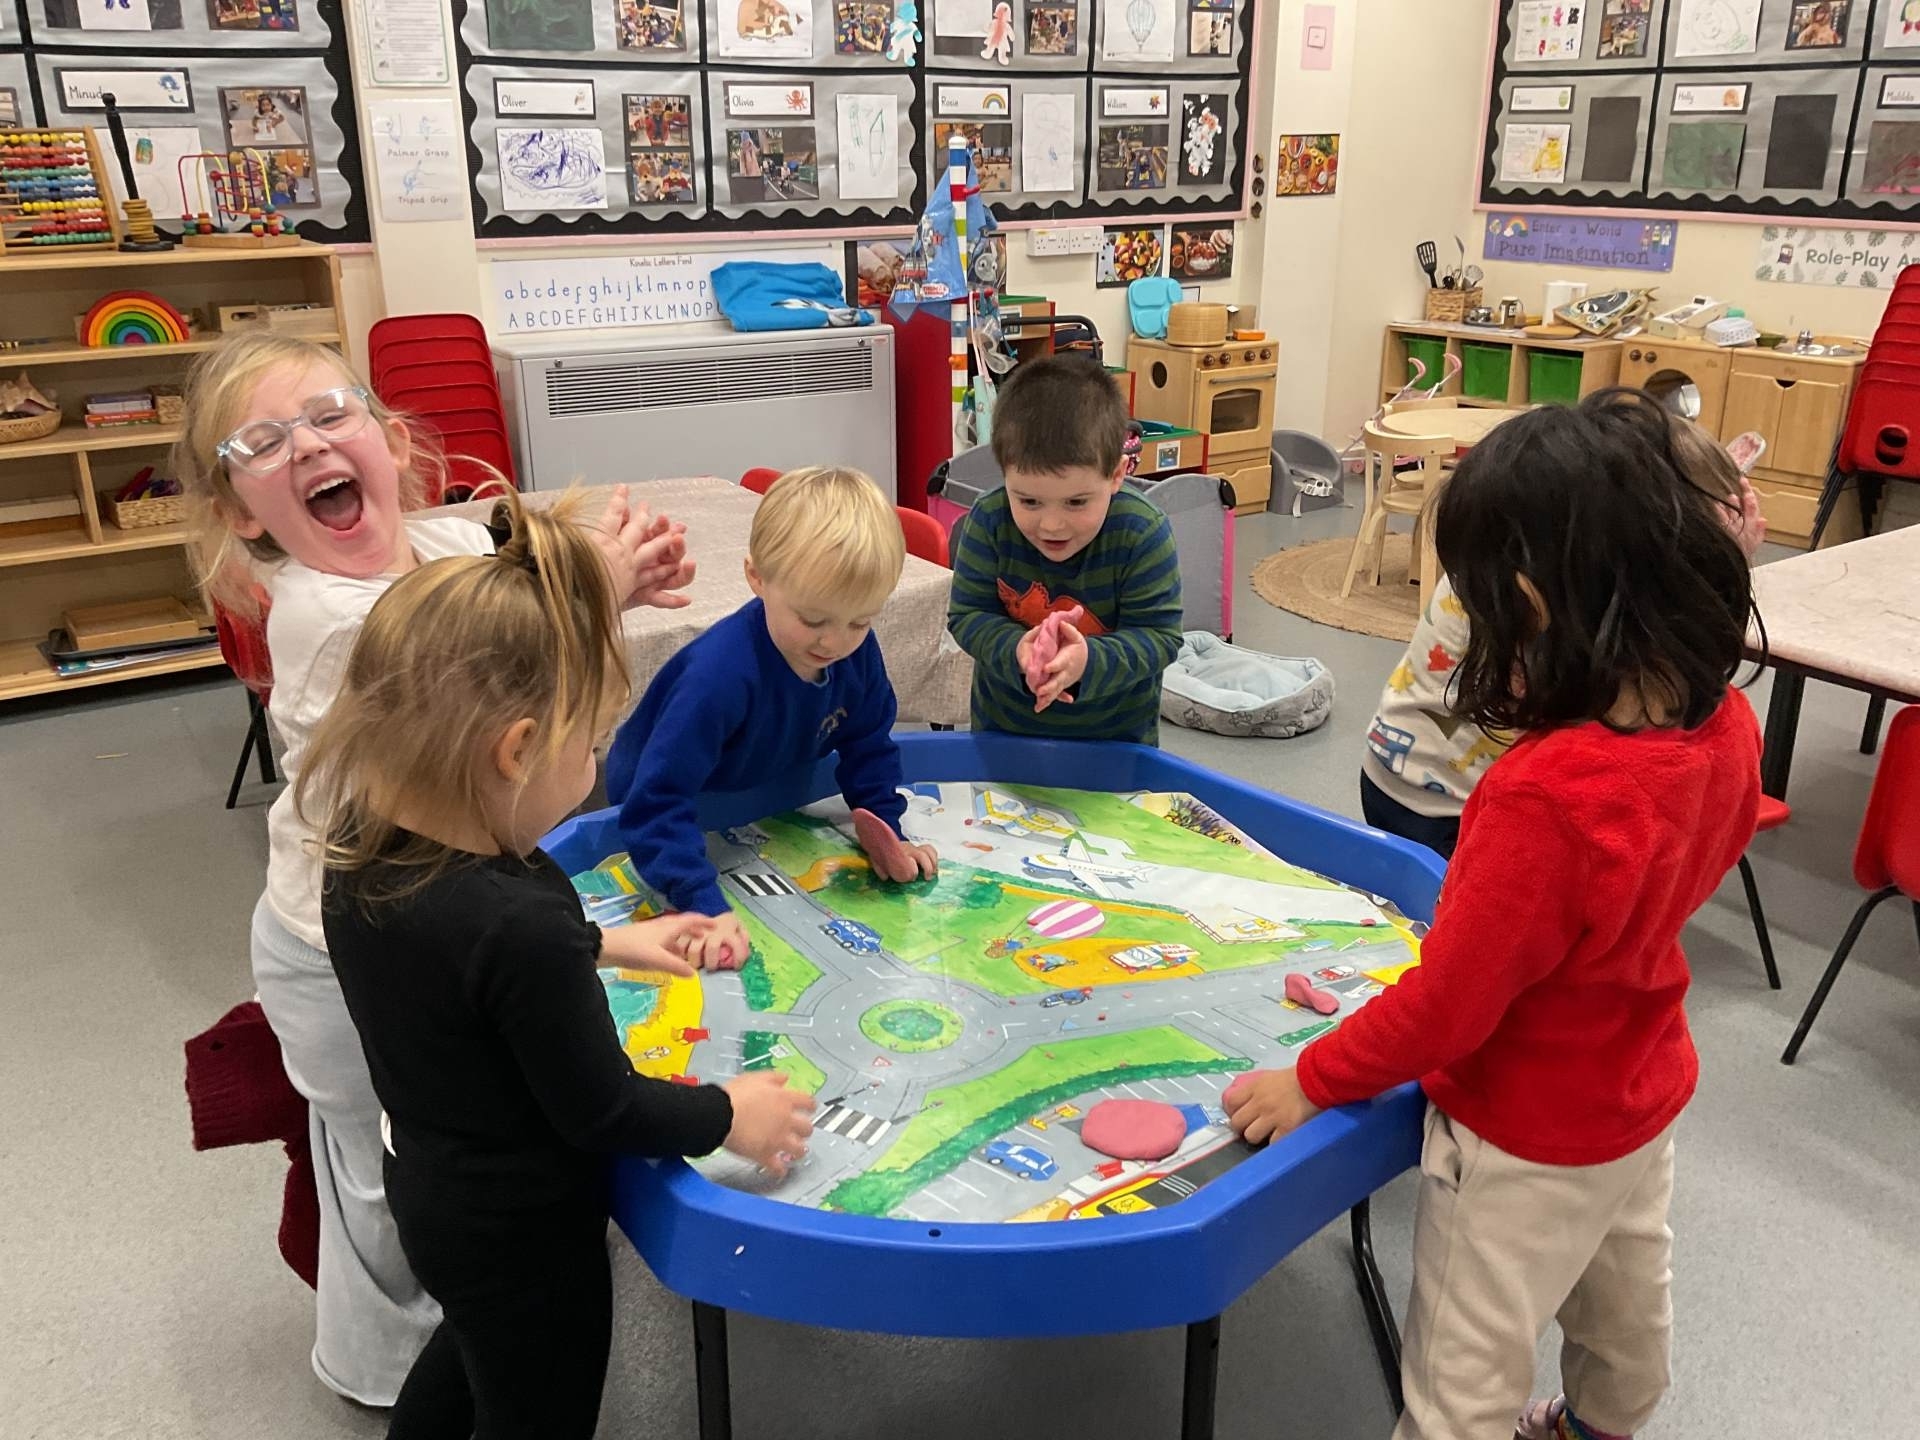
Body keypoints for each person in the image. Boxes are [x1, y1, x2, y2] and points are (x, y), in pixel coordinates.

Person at [1224, 390, 1765, 1440]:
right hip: (1641, 1096)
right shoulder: (1728, 724)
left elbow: (1451, 1007)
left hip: (1522, 1134)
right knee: (1626, 1328)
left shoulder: (1543, 795)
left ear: (1527, 605)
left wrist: (1313, 1077)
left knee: (1459, 1386)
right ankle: (1592, 1427)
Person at [177, 330, 695, 1407]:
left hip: (420, 912)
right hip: (338, 947)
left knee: (431, 1152)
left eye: (331, 414)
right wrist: (589, 586)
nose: (308, 444)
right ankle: (380, 1377)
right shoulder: (325, 616)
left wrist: (612, 576)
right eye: (264, 441)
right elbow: (469, 656)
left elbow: (507, 581)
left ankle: (459, 1343)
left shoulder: (441, 540)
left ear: (390, 441)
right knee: (382, 1173)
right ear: (240, 512)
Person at [304, 491, 816, 1439]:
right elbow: (603, 1110)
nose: (595, 764)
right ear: (517, 751)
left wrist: (609, 942)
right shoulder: (520, 923)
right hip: (527, 1232)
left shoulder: (361, 845)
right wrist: (728, 1114)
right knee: (535, 1407)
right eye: (591, 743)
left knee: (471, 1351)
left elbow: (455, 966)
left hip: (432, 1193)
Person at [1359, 406, 1767, 859]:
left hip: (1413, 773)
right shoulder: (1535, 592)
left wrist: (1722, 564)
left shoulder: (1544, 556)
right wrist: (1725, 567)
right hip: (1438, 800)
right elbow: (1644, 691)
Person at [605, 466, 938, 973]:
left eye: (860, 620)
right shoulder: (719, 677)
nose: (836, 641)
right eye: (813, 619)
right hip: (665, 803)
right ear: (757, 577)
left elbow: (869, 741)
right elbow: (655, 802)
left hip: (759, 788)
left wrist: (884, 824)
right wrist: (701, 904)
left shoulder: (856, 651)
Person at [946, 355, 1183, 744]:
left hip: (1113, 742)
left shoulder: (1142, 532)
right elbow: (967, 615)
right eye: (1029, 501)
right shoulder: (989, 519)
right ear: (1004, 473)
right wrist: (1017, 648)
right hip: (1005, 734)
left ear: (1117, 474)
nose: (1051, 525)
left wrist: (1088, 659)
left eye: (1076, 502)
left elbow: (1159, 637)